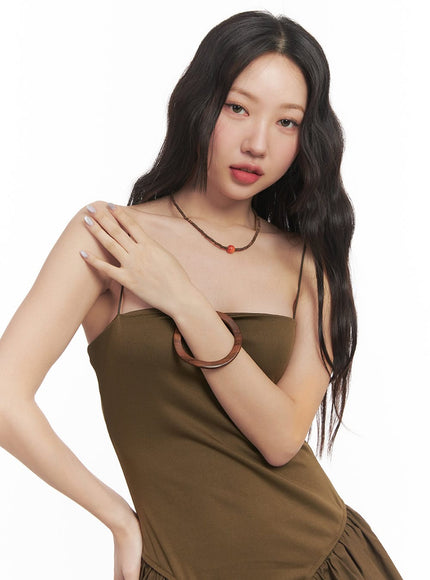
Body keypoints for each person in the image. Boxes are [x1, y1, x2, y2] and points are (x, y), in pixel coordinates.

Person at [0, 10, 402, 580]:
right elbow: (4, 396)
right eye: (238, 108)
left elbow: (281, 439)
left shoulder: (309, 263)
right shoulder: (111, 236)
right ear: (200, 102)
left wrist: (181, 299)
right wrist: (118, 520)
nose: (257, 143)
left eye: (287, 122)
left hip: (322, 560)